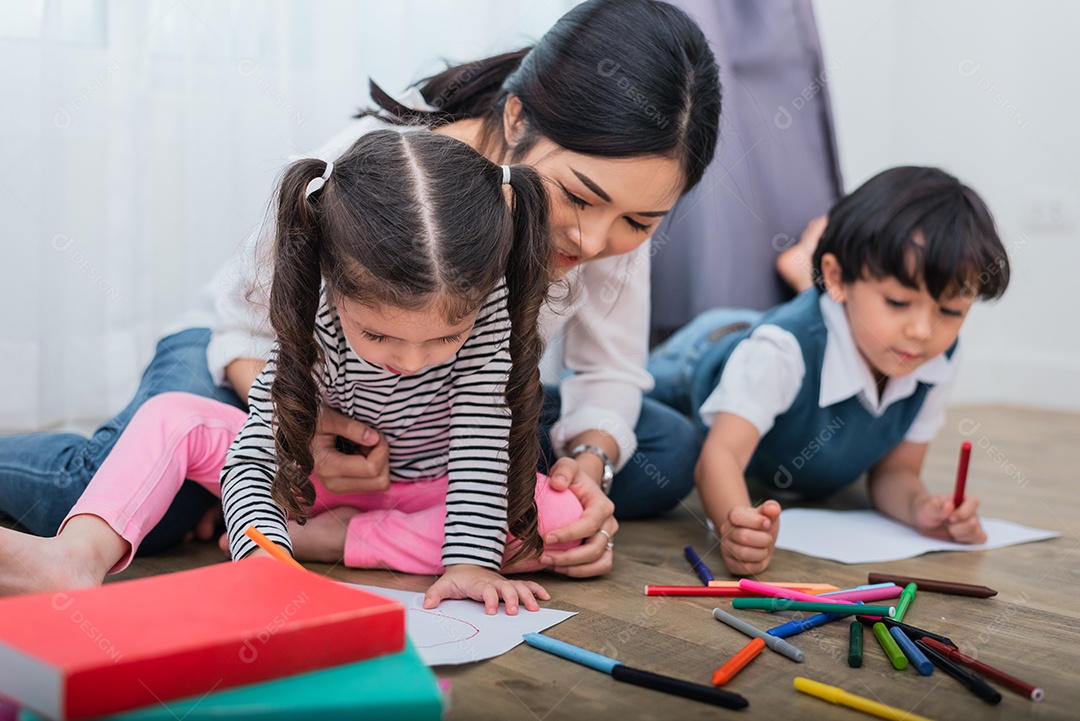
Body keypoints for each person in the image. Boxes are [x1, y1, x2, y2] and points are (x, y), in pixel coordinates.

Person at [0, 0, 721, 576]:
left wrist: (586, 464)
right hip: (257, 355)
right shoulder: (378, 173)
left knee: (661, 447)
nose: (594, 243)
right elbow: (247, 329)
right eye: (581, 198)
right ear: (514, 117)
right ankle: (252, 501)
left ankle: (319, 520)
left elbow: (608, 372)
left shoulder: (608, 224)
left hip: (425, 404)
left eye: (640, 220)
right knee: (118, 501)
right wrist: (304, 431)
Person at [0, 130, 584, 614]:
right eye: (378, 335)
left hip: (434, 494)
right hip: (318, 485)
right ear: (335, 287)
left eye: (443, 338)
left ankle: (337, 539)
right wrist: (266, 562)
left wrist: (469, 567)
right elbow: (257, 458)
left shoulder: (491, 319)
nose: (409, 362)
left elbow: (484, 444)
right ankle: (75, 556)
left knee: (560, 518)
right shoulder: (316, 315)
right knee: (172, 416)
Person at [648, 166, 1010, 575]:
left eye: (949, 311)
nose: (922, 331)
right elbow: (721, 453)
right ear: (838, 277)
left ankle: (802, 267)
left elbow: (896, 472)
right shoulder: (781, 350)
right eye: (897, 302)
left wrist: (921, 509)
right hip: (699, 357)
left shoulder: (936, 358)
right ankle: (803, 268)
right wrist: (735, 522)